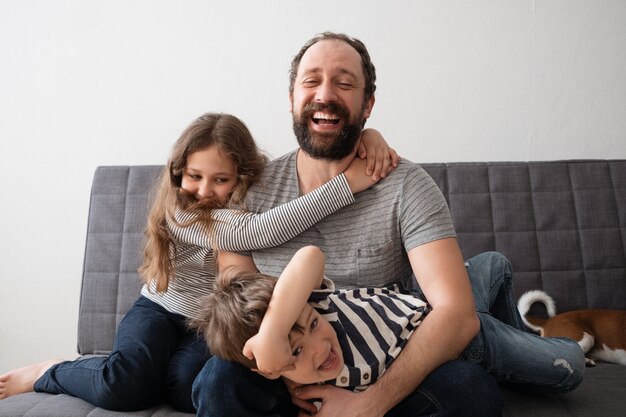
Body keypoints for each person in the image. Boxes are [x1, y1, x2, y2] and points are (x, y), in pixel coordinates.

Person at [191, 32, 585, 417]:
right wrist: (297, 382)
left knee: (469, 389)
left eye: (344, 84)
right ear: (292, 99)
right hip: (289, 373)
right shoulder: (249, 190)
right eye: (311, 81)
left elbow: (455, 313)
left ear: (368, 105)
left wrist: (368, 404)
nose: (325, 94)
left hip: (388, 365)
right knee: (219, 381)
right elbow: (238, 311)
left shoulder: (407, 185)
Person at [0, 112, 397, 412]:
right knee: (122, 384)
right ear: (179, 173)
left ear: (241, 175)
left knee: (188, 385)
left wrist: (369, 136)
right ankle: (48, 372)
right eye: (194, 176)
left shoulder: (254, 195)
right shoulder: (181, 210)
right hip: (160, 308)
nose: (204, 190)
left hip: (207, 324)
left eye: (220, 180)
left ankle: (148, 373)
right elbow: (254, 234)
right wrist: (349, 184)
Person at [193, 245, 431, 396]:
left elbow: (310, 255)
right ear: (270, 370)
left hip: (426, 312)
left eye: (314, 324)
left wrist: (273, 332)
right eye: (296, 350)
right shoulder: (317, 391)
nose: (321, 347)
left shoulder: (312, 304)